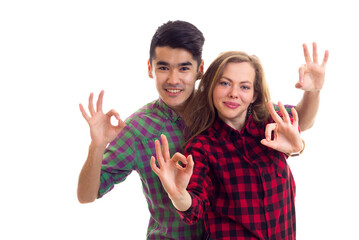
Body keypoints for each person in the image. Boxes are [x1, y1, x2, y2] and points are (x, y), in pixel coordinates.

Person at [77, 19, 328, 239]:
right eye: (163, 67)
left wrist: (313, 94)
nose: (173, 79)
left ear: (199, 70)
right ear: (150, 68)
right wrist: (97, 146)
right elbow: (87, 195)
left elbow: (295, 123)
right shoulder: (138, 130)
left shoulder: (226, 104)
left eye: (184, 68)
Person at [150, 50, 327, 239]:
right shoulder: (202, 147)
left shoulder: (270, 123)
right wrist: (178, 196)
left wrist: (313, 91)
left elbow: (304, 120)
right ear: (211, 87)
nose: (234, 93)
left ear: (254, 94)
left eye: (244, 87)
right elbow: (194, 210)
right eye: (225, 83)